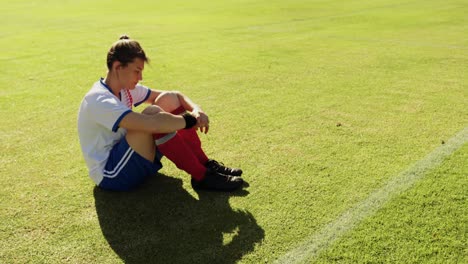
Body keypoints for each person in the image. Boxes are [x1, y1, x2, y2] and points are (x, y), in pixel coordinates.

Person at [78, 35, 243, 192]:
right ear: (117, 67)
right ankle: (201, 176)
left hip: (132, 155)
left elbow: (175, 96)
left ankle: (204, 164)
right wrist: (190, 120)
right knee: (152, 114)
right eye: (137, 71)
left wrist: (196, 110)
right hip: (111, 174)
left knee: (167, 99)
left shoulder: (124, 89)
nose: (141, 77)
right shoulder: (98, 99)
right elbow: (152, 124)